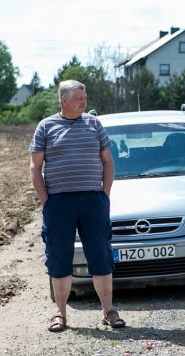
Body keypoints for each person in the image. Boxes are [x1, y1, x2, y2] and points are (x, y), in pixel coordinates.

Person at [30, 80, 125, 332]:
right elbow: (35, 167)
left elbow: (108, 161)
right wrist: (47, 202)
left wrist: (104, 195)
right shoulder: (46, 127)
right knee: (59, 257)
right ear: (63, 100)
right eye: (78, 98)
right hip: (59, 203)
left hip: (93, 201)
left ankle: (109, 311)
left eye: (85, 97)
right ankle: (60, 314)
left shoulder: (94, 124)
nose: (84, 102)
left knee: (101, 256)